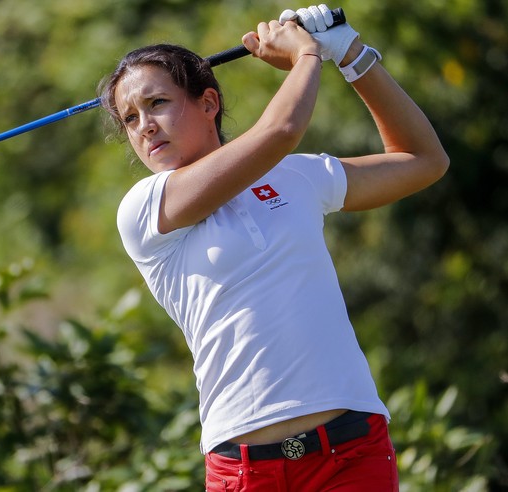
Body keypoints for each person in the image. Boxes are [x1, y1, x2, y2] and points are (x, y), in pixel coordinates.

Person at [99, 4, 448, 491]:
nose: (144, 126)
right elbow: (280, 130)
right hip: (244, 470)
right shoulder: (145, 209)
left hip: (350, 454)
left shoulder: (297, 176)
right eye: (130, 118)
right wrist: (308, 53)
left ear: (208, 103)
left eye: (156, 103)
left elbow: (424, 160)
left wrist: (350, 54)